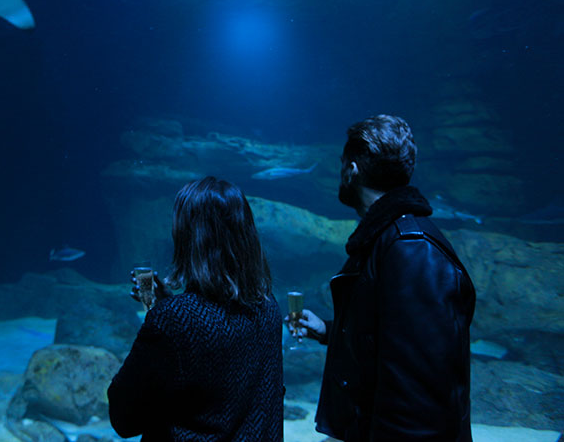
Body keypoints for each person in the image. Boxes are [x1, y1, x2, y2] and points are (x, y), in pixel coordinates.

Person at [293, 115, 476, 441]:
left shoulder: (410, 248)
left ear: (351, 170)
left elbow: (418, 389)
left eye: (341, 165)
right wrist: (328, 331)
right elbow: (393, 338)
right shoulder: (385, 241)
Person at [108, 176, 284, 441]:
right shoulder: (269, 308)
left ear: (187, 237)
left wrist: (161, 315)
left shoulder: (175, 320)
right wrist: (167, 306)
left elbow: (124, 419)